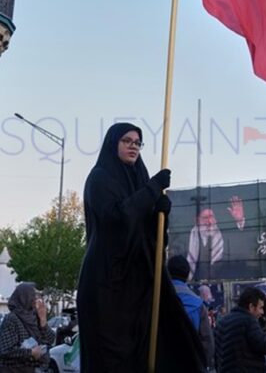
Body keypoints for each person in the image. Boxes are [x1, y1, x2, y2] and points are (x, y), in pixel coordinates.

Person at [76, 123, 205, 372]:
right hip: (107, 286)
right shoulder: (100, 178)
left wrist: (160, 215)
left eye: (138, 142)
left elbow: (152, 241)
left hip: (137, 286)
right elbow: (118, 220)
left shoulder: (140, 183)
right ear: (113, 144)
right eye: (127, 141)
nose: (133, 146)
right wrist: (153, 189)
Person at [215, 287, 266, 372]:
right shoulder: (248, 321)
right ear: (251, 306)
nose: (262, 312)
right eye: (260, 307)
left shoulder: (222, 321)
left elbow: (216, 354)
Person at [167, 254, 215, 369]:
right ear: (188, 275)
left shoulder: (155, 299)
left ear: (167, 272)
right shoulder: (198, 304)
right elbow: (207, 342)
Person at [0, 282, 55, 373]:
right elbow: (6, 350)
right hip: (14, 369)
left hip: (35, 368)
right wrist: (31, 352)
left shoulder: (35, 316)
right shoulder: (12, 319)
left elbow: (50, 340)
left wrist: (43, 320)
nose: (35, 298)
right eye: (32, 295)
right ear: (23, 297)